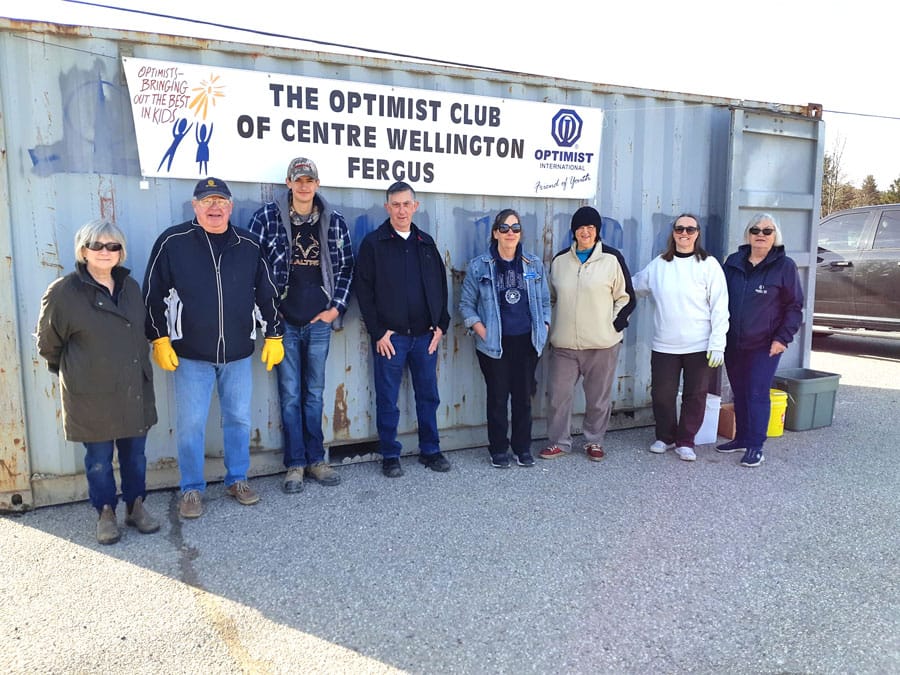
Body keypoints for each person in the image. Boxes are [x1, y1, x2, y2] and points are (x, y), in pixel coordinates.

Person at [143, 177, 284, 518]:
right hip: (190, 355)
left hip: (237, 354)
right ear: (195, 207)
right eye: (207, 201)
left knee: (237, 418)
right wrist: (158, 337)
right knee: (191, 423)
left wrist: (275, 334)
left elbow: (266, 293)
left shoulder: (249, 244)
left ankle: (238, 479)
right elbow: (152, 293)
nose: (215, 207)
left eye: (221, 200)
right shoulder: (173, 242)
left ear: (231, 207)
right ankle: (191, 488)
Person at [37, 220, 159, 544]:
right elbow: (48, 345)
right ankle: (105, 511)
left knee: (135, 456)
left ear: (121, 252)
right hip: (90, 394)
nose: (105, 252)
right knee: (99, 461)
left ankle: (136, 506)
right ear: (83, 250)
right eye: (97, 245)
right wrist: (78, 373)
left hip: (133, 388)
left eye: (113, 246)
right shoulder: (63, 292)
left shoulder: (131, 288)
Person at [247, 157, 354, 493]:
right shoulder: (266, 217)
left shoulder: (333, 221)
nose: (305, 185)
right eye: (299, 180)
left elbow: (348, 267)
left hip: (319, 321)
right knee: (290, 395)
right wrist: (268, 316)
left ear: (317, 185)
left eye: (310, 180)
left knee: (314, 394)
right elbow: (251, 267)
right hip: (283, 324)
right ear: (289, 183)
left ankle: (316, 460)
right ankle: (294, 464)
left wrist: (335, 309)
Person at [355, 181, 451, 478]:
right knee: (387, 399)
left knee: (428, 396)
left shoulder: (426, 242)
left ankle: (430, 450)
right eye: (395, 205)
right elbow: (364, 290)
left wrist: (441, 326)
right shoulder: (374, 243)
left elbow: (440, 286)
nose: (401, 210)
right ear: (387, 207)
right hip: (391, 339)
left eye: (406, 204)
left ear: (415, 206)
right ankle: (390, 454)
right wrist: (378, 331)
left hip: (425, 337)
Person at [632, 213, 729, 461]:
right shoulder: (659, 265)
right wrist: (607, 283)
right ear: (673, 232)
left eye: (690, 229)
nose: (684, 233)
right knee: (662, 394)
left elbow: (720, 306)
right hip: (665, 344)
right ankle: (666, 437)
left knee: (694, 395)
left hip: (700, 345)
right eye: (679, 228)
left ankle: (686, 440)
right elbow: (634, 286)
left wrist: (718, 343)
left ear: (697, 233)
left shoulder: (709, 265)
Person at [459, 209, 551, 468]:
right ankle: (498, 449)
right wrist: (482, 330)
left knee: (523, 398)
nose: (511, 233)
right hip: (494, 344)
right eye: (505, 227)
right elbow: (466, 305)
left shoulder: (533, 264)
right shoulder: (480, 265)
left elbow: (545, 300)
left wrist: (543, 325)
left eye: (516, 228)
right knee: (498, 398)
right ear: (495, 233)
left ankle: (522, 448)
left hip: (527, 341)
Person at [541, 206, 634, 462]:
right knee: (558, 396)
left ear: (597, 231)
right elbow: (549, 298)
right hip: (564, 345)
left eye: (590, 227)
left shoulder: (611, 259)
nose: (585, 232)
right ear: (573, 231)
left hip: (601, 345)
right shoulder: (560, 261)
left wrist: (613, 326)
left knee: (597, 399)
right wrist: (549, 326)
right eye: (580, 227)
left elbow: (626, 298)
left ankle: (594, 441)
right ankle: (559, 442)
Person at [718, 213, 803, 467]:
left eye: (768, 231)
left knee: (756, 393)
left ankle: (756, 445)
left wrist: (782, 338)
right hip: (733, 342)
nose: (761, 235)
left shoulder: (785, 266)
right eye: (756, 230)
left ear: (775, 236)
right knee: (740, 391)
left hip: (765, 345)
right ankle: (742, 437)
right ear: (748, 234)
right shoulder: (733, 262)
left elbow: (794, 306)